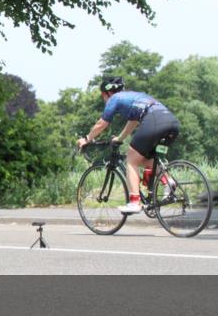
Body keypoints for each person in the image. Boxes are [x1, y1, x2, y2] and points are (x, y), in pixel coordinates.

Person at [77, 76, 180, 214]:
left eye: (103, 96)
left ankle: (134, 202)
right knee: (147, 160)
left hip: (155, 121)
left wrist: (87, 138)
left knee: (131, 160)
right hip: (172, 123)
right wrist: (120, 138)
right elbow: (133, 122)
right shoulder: (135, 96)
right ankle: (169, 182)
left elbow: (102, 123)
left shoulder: (114, 98)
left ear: (106, 93)